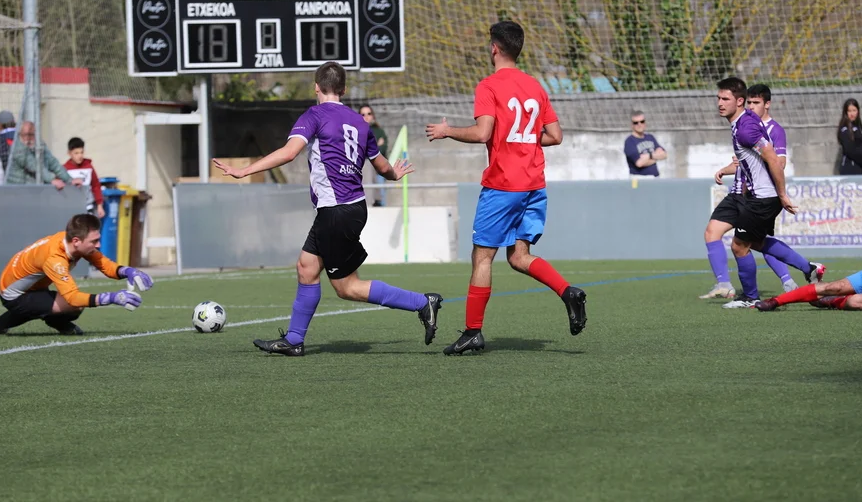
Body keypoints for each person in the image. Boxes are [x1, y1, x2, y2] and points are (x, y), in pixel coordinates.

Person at [213, 62, 443, 357]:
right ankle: (294, 340)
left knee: (347, 287)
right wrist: (394, 174)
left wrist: (245, 170)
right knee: (306, 267)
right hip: (350, 208)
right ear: (344, 89)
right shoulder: (360, 122)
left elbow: (289, 152)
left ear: (316, 87)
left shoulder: (315, 115)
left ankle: (422, 303)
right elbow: (382, 166)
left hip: (336, 210)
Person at [425, 20, 587, 355]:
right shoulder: (535, 86)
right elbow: (555, 136)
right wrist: (524, 139)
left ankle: (473, 331)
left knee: (482, 257)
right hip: (534, 185)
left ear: (494, 48)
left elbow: (482, 133)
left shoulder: (489, 85)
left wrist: (447, 131)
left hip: (503, 185)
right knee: (518, 256)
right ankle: (567, 292)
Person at [698, 77, 822, 308]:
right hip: (754, 195)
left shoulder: (745, 129)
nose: (720, 103)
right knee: (755, 242)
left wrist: (782, 194)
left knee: (739, 246)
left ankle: (750, 297)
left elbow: (773, 159)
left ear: (739, 101)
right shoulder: (743, 121)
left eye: (725, 99)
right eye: (718, 98)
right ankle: (809, 268)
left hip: (764, 198)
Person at [0, 213, 152, 336]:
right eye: (94, 241)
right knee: (74, 306)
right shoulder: (55, 259)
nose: (98, 245)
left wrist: (128, 271)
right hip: (14, 295)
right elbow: (73, 298)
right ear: (76, 241)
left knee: (38, 306)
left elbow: (104, 265)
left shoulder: (70, 240)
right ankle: (57, 322)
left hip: (31, 289)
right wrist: (112, 298)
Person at [7, 121, 78, 190]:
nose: (28, 138)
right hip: (17, 190)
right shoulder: (17, 148)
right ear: (20, 134)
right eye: (25, 135)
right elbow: (34, 166)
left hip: (34, 191)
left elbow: (53, 163)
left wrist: (69, 179)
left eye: (31, 134)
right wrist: (52, 179)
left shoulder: (40, 144)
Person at [64, 137, 105, 217]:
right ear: (69, 153)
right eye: (76, 153)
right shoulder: (65, 169)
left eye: (81, 152)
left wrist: (99, 205)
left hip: (88, 208)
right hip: (71, 208)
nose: (80, 156)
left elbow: (96, 186)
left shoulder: (89, 167)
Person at [359, 104, 388, 206]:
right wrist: (376, 146)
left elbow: (383, 149)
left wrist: (369, 148)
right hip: (363, 170)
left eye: (369, 113)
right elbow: (360, 151)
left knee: (381, 196)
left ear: (373, 115)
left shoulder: (379, 131)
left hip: (378, 169)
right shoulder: (357, 131)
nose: (366, 116)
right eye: (363, 114)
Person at [623, 111, 666, 176]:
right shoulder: (629, 141)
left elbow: (664, 155)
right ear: (632, 125)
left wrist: (649, 156)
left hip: (655, 177)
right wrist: (655, 156)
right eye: (636, 123)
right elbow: (639, 163)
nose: (639, 124)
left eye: (642, 121)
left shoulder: (650, 137)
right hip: (639, 178)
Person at [837, 98, 862, 175]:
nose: (852, 114)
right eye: (849, 111)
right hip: (851, 168)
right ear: (846, 113)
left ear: (858, 111)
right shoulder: (845, 129)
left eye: (854, 110)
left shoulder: (861, 128)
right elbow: (850, 150)